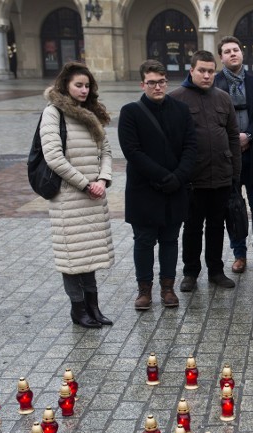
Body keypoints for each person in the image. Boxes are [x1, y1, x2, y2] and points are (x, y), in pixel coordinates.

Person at [118, 59, 197, 310]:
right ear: (143, 84)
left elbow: (191, 147)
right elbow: (132, 151)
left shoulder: (181, 110)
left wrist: (178, 177)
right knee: (143, 240)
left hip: (175, 188)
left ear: (167, 82)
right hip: (144, 190)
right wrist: (164, 177)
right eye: (151, 83)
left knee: (170, 240)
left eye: (161, 82)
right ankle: (144, 290)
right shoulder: (130, 112)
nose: (157, 87)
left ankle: (168, 288)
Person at [40, 62, 114, 328]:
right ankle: (78, 309)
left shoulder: (90, 112)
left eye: (87, 86)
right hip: (68, 197)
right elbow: (54, 158)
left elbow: (105, 151)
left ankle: (94, 307)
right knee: (72, 257)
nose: (83, 90)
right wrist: (86, 184)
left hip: (93, 195)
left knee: (89, 253)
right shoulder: (53, 113)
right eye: (78, 85)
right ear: (65, 86)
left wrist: (103, 179)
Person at [169, 50, 242, 291]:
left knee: (216, 226)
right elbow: (171, 141)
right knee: (191, 227)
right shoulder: (176, 98)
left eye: (211, 71)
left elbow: (233, 136)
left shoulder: (223, 98)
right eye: (202, 70)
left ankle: (216, 270)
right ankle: (190, 272)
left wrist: (235, 173)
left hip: (221, 175)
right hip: (192, 179)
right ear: (191, 71)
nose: (207, 75)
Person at [214, 35, 253, 277]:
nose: (232, 54)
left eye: (235, 49)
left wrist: (249, 135)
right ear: (221, 57)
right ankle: (239, 254)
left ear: (242, 53)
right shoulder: (214, 84)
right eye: (227, 51)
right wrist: (233, 140)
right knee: (233, 206)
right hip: (228, 156)